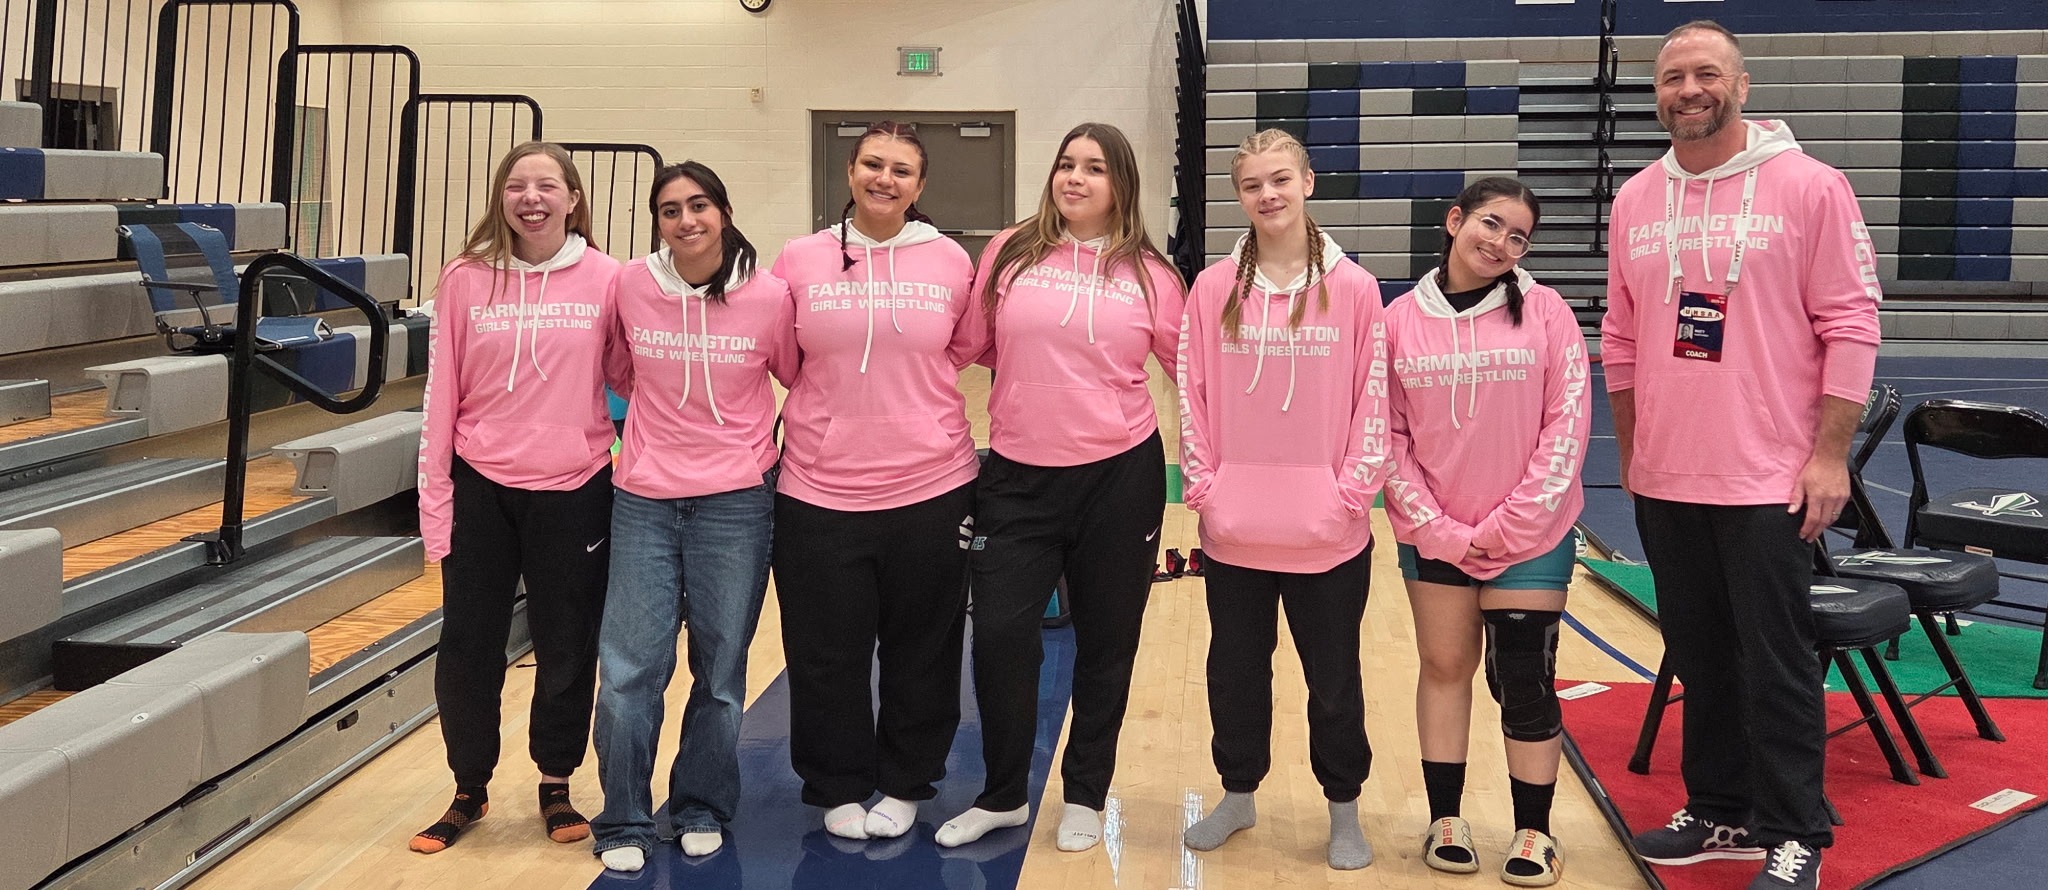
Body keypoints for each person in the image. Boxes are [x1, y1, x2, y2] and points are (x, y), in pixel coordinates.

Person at [1605, 20, 1881, 890]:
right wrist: (1635, 449)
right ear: (1656, 94)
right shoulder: (1635, 200)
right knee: (1698, 650)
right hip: (1667, 477)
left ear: (1742, 86)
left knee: (1777, 660)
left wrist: (1829, 458)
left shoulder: (1811, 187)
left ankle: (1795, 828)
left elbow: (1852, 324)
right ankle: (1720, 808)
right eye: (1672, 77)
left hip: (1769, 473)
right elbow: (1619, 338)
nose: (1689, 90)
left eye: (1706, 74)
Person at [934, 123, 1186, 852]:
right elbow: (961, 346)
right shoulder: (1011, 251)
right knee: (1003, 637)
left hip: (1120, 478)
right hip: (1016, 477)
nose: (1074, 178)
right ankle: (1004, 793)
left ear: (1121, 185)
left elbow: (1197, 373)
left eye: (1095, 168)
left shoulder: (1151, 274)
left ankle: (1084, 791)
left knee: (1108, 642)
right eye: (1066, 164)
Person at [1176, 128, 1390, 871]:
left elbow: (1375, 401)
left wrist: (1351, 496)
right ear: (1239, 196)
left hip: (1329, 533)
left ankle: (1343, 810)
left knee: (1334, 682)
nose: (1267, 195)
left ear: (1308, 184)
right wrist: (1205, 489)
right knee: (1235, 673)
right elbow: (1190, 393)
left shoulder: (1356, 288)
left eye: (1280, 180)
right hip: (1236, 530)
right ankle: (1237, 795)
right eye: (1251, 185)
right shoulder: (1211, 289)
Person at [769, 121, 982, 841]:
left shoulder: (951, 261)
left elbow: (965, 346)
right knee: (826, 651)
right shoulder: (799, 259)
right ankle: (836, 784)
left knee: (922, 647)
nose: (883, 179)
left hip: (932, 482)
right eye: (871, 164)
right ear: (850, 170)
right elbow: (783, 356)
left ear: (920, 187)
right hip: (817, 489)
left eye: (900, 170)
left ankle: (904, 781)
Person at [413, 141, 622, 853]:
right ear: (501, 198)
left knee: (568, 644)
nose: (531, 198)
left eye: (547, 186)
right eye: (517, 186)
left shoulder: (608, 278)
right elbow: (441, 397)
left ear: (572, 198)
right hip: (482, 485)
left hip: (576, 487)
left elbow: (632, 374)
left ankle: (556, 781)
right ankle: (468, 788)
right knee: (469, 646)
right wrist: (434, 507)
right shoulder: (466, 279)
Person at [589, 162, 797, 872]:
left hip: (737, 504)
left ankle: (701, 804)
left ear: (725, 210)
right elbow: (620, 371)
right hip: (644, 499)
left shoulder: (770, 296)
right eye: (670, 209)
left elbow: (795, 373)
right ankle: (622, 816)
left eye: (699, 205)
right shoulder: (629, 284)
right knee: (627, 669)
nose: (686, 221)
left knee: (720, 669)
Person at [1382, 177, 1588, 887]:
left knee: (1524, 674)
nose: (1499, 243)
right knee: (1444, 670)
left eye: (1518, 236)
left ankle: (1534, 832)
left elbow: (1566, 425)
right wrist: (1438, 530)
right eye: (1490, 224)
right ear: (1454, 221)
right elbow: (1386, 437)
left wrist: (1510, 527)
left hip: (1530, 537)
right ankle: (1446, 818)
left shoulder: (1549, 315)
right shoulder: (1398, 321)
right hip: (1434, 534)